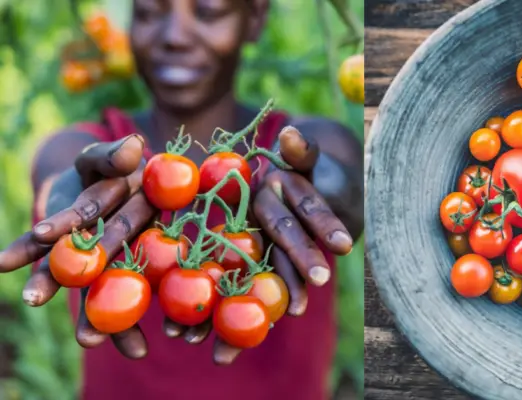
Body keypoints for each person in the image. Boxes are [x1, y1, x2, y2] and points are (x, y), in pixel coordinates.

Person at [0, 0, 363, 399]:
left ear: (255, 18)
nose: (174, 36)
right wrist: (71, 205)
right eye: (150, 12)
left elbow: (344, 183)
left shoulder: (302, 146)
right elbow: (59, 174)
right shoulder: (85, 146)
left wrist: (321, 191)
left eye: (207, 12)